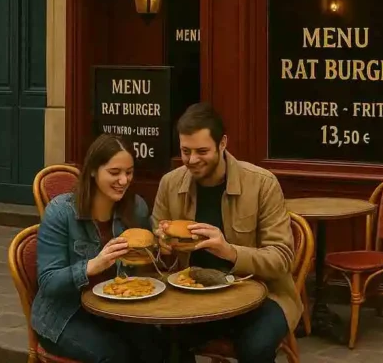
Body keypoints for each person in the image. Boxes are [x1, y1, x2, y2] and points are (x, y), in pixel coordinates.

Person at [152, 102, 301, 363]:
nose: (192, 160)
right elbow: (157, 258)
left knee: (254, 348)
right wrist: (161, 248)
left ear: (223, 144)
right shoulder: (170, 183)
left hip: (263, 295)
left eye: (202, 151)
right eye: (185, 151)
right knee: (157, 340)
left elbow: (281, 259)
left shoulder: (261, 183)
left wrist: (230, 252)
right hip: (191, 296)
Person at [32, 133, 165, 363]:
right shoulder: (60, 212)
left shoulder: (136, 208)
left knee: (162, 346)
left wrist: (162, 249)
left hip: (115, 310)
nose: (124, 180)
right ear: (93, 170)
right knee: (114, 355)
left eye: (129, 172)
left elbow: (148, 268)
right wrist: (93, 265)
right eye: (114, 173)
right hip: (64, 316)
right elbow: (48, 281)